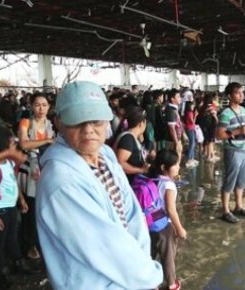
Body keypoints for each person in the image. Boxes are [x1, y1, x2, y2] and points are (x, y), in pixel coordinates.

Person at [36, 81, 163, 289]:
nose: (88, 130)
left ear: (108, 120)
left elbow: (133, 214)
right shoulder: (61, 182)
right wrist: (148, 278)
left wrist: (144, 271)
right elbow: (105, 247)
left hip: (132, 277)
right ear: (59, 123)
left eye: (95, 121)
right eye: (77, 122)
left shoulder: (105, 154)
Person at [0, 127, 35, 289]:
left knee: (12, 237)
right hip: (0, 209)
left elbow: (13, 182)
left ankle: (20, 264)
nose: (15, 146)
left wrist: (21, 199)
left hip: (11, 206)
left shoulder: (9, 163)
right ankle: (1, 273)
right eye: (12, 144)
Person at [17, 92, 55, 260]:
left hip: (45, 166)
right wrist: (46, 141)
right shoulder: (25, 123)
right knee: (31, 207)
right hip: (30, 169)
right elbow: (24, 143)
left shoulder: (49, 123)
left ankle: (42, 239)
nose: (41, 108)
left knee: (44, 206)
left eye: (44, 105)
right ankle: (29, 243)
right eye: (37, 105)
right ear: (31, 106)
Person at [148, 150, 186, 290]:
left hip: (150, 223)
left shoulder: (152, 179)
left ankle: (151, 283)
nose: (178, 168)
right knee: (168, 256)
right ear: (164, 167)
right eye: (175, 165)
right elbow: (171, 210)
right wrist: (179, 229)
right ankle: (171, 284)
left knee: (150, 255)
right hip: (164, 227)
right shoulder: (169, 185)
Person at [216, 82, 245, 223]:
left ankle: (239, 206)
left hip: (244, 148)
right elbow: (219, 134)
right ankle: (226, 210)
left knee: (242, 179)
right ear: (230, 96)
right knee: (230, 180)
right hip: (232, 150)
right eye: (238, 93)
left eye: (242, 92)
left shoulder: (244, 110)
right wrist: (237, 131)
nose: (242, 95)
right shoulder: (225, 113)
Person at [115, 107, 150, 184]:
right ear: (142, 123)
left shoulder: (133, 137)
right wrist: (141, 170)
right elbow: (120, 163)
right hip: (125, 182)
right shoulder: (127, 139)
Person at [164, 89, 183, 161]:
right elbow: (171, 128)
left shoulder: (174, 109)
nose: (180, 98)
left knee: (177, 158)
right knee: (174, 161)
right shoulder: (171, 111)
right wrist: (176, 143)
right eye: (178, 97)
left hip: (176, 139)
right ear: (172, 99)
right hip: (172, 141)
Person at [184, 101, 198, 168]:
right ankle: (189, 159)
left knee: (193, 143)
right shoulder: (189, 113)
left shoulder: (189, 112)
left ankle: (192, 158)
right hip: (190, 129)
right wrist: (195, 115)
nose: (193, 107)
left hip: (191, 128)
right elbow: (192, 122)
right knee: (192, 143)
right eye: (192, 106)